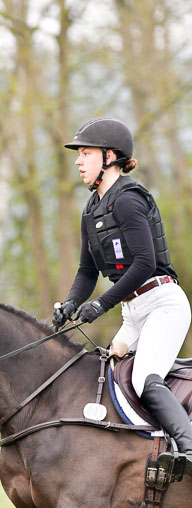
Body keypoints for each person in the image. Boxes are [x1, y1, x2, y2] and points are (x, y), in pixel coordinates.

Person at [53, 116, 192, 465]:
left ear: (109, 156)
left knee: (145, 379)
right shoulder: (92, 209)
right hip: (133, 312)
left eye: (85, 153)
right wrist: (71, 302)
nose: (78, 161)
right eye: (79, 154)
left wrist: (100, 305)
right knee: (108, 372)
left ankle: (189, 450)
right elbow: (87, 271)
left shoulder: (129, 201)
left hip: (163, 304)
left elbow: (144, 263)